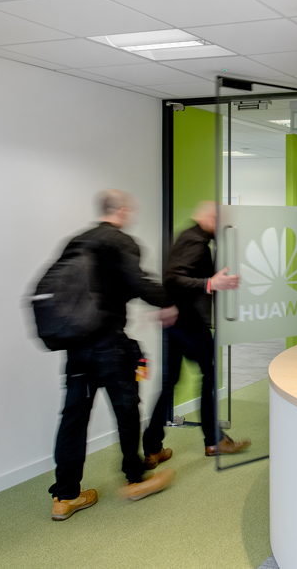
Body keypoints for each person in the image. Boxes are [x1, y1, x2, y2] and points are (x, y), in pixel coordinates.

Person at [49, 190, 179, 521]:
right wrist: (168, 302)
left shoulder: (75, 242)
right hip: (110, 344)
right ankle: (135, 479)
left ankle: (65, 496)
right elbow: (139, 283)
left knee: (73, 417)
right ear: (120, 210)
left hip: (77, 348)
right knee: (126, 410)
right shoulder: (120, 241)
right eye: (129, 209)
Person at [143, 200, 251, 465]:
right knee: (208, 377)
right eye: (219, 220)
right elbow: (173, 278)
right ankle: (214, 440)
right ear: (210, 218)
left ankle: (153, 447)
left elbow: (173, 277)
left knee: (170, 383)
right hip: (189, 323)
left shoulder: (189, 237)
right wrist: (210, 283)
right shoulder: (196, 242)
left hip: (177, 322)